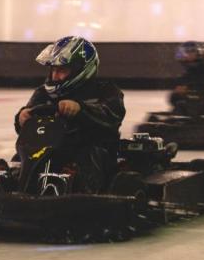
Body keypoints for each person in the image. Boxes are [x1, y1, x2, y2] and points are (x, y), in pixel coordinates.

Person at [15, 36, 125, 193]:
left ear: (81, 70)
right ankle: (14, 187)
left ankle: (77, 193)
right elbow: (29, 129)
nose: (55, 76)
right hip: (50, 152)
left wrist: (81, 109)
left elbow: (111, 116)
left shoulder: (106, 91)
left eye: (61, 70)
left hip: (91, 155)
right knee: (20, 157)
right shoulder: (42, 93)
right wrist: (22, 117)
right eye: (53, 70)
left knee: (87, 156)